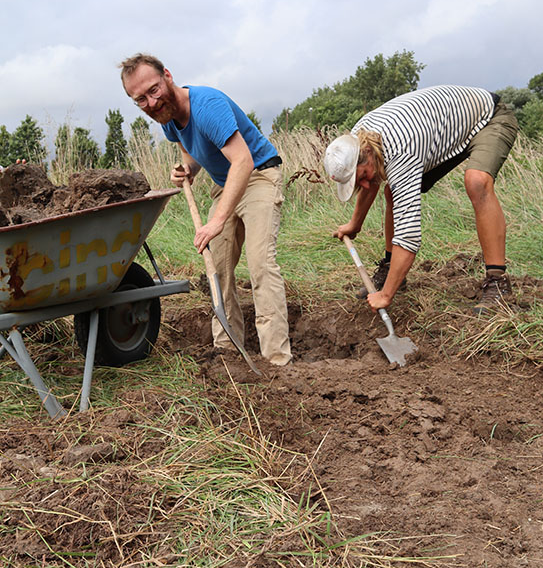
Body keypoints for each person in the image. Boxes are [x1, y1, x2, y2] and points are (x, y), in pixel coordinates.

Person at [120, 53, 292, 366]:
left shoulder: (206, 106)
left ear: (168, 76)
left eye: (154, 90)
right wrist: (187, 170)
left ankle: (276, 361)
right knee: (219, 270)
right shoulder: (168, 118)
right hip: (225, 184)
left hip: (258, 177)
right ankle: (226, 353)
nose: (152, 102)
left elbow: (243, 161)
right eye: (140, 99)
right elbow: (190, 150)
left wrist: (217, 221)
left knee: (260, 265)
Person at [323, 85, 519, 315]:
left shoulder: (400, 153)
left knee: (477, 182)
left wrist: (386, 296)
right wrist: (355, 224)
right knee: (391, 190)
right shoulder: (356, 140)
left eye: (362, 177)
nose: (365, 185)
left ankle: (498, 284)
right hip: (443, 131)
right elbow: (372, 180)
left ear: (366, 152)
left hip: (489, 118)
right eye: (358, 183)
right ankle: (389, 268)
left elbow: (409, 237)